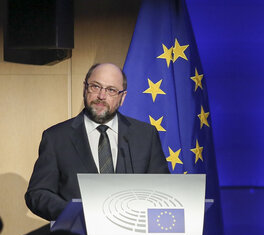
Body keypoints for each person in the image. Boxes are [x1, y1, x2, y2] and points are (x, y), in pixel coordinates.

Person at [25, 63, 169, 221]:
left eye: (111, 90)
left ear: (122, 97)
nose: (101, 96)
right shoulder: (56, 137)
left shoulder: (145, 135)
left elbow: (163, 190)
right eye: (95, 86)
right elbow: (37, 194)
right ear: (84, 88)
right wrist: (72, 212)